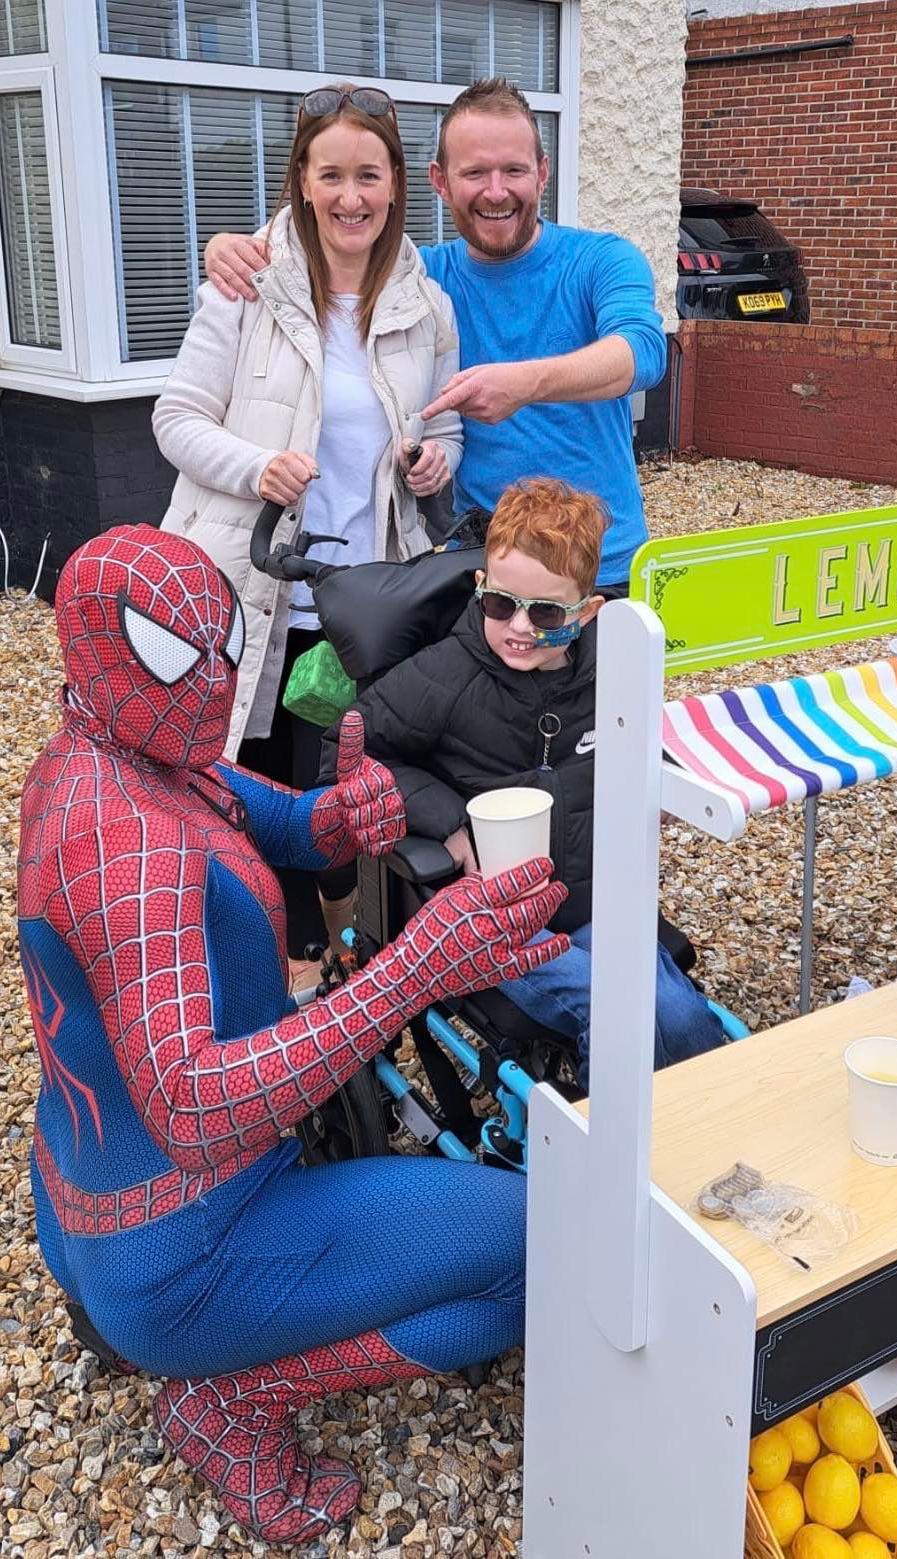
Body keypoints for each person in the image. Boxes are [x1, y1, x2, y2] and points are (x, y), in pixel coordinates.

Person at [17, 524, 567, 1545]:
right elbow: (188, 1107)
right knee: (535, 1249)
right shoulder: (120, 837)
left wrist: (343, 816)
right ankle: (230, 1402)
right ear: (97, 649)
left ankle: (209, 1348)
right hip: (190, 1238)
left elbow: (270, 819)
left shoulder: (120, 753)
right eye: (179, 655)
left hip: (93, 1208)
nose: (217, 681)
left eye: (224, 645)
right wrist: (412, 971)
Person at [153, 82, 463, 984]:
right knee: (250, 786)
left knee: (335, 789)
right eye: (332, 175)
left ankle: (337, 954)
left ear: (398, 182)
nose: (351, 196)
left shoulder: (424, 305)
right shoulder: (246, 287)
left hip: (362, 604)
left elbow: (444, 427)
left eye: (369, 175)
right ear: (302, 179)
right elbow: (175, 418)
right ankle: (278, 971)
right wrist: (256, 467)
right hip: (253, 591)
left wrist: (433, 461)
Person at [322, 479, 726, 1090]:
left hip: (596, 903)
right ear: (480, 590)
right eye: (499, 604)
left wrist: (665, 786)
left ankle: (669, 1154)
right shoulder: (446, 674)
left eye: (544, 613)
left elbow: (652, 749)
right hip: (494, 923)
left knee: (680, 1019)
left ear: (587, 613)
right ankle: (602, 1168)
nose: (518, 627)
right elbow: (346, 753)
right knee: (623, 1018)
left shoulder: (611, 674)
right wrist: (447, 819)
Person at [203, 77, 666, 591]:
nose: (496, 191)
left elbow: (644, 351)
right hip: (484, 566)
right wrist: (238, 245)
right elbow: (341, 235)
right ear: (439, 181)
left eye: (513, 170)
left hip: (604, 565)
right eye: (474, 173)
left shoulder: (601, 259)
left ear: (542, 174)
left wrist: (527, 384)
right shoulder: (424, 282)